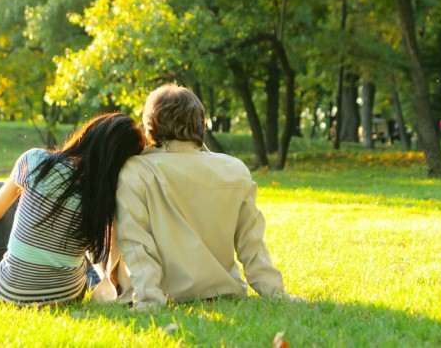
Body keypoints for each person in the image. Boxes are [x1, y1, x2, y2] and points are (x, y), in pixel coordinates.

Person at [97, 83, 303, 310]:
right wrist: (274, 293)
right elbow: (251, 242)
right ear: (200, 122)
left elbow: (136, 243)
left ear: (150, 126)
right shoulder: (235, 169)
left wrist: (148, 300)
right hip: (221, 289)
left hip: (159, 292)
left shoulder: (136, 170)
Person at [0, 113, 145, 306]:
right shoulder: (107, 196)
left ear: (89, 134)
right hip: (68, 296)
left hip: (6, 294)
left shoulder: (36, 160)